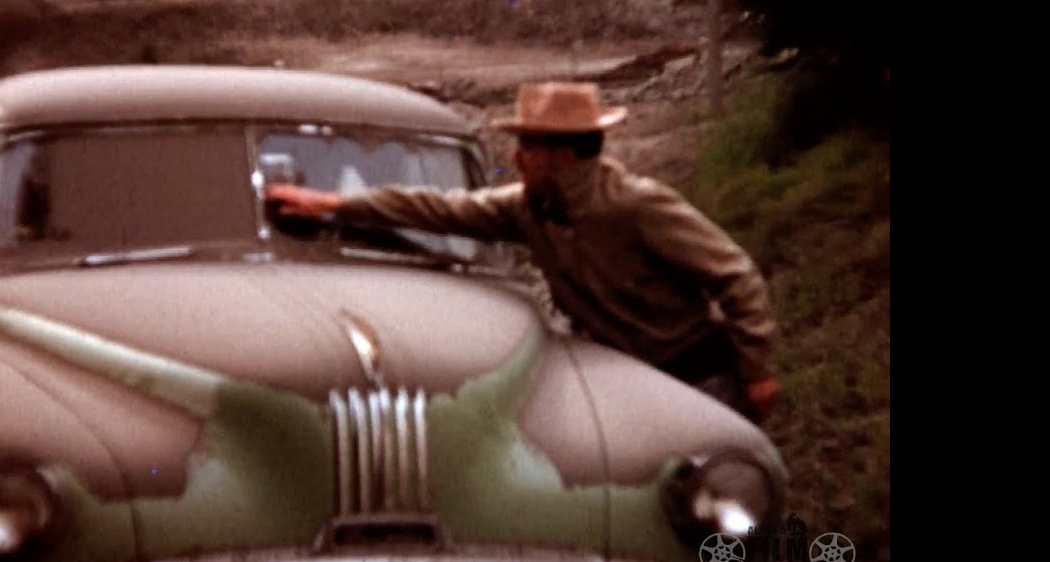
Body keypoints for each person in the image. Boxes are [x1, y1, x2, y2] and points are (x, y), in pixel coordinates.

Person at [265, 81, 781, 424]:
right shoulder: (528, 208)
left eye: (528, 146)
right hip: (624, 376)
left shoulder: (636, 205)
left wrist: (756, 371)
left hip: (696, 374)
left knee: (720, 501)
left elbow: (735, 274)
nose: (516, 158)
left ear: (563, 154)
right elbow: (440, 208)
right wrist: (335, 204)